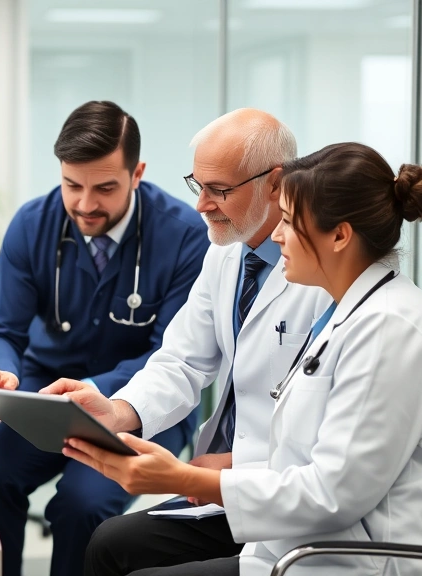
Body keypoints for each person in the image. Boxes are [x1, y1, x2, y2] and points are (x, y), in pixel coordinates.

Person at [56, 142, 422, 576]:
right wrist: (138, 425)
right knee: (112, 545)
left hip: (367, 556)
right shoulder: (349, 308)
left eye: (289, 222)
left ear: (340, 235)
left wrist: (181, 478)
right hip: (308, 530)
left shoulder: (389, 329)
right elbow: (186, 361)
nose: (277, 234)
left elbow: (331, 492)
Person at [38, 107, 331, 575]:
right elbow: (182, 361)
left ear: (275, 183)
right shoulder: (227, 254)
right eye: (199, 185)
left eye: (220, 190)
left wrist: (231, 467)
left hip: (282, 498)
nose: (201, 205)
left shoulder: (325, 274)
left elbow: (325, 447)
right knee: (109, 542)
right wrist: (116, 411)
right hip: (232, 486)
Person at [0, 100, 211, 576]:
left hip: (139, 405)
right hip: (43, 394)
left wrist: (99, 394)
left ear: (136, 172)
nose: (84, 204)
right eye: (71, 185)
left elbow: (174, 354)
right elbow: (0, 327)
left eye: (104, 188)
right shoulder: (32, 224)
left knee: (82, 505)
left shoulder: (185, 236)